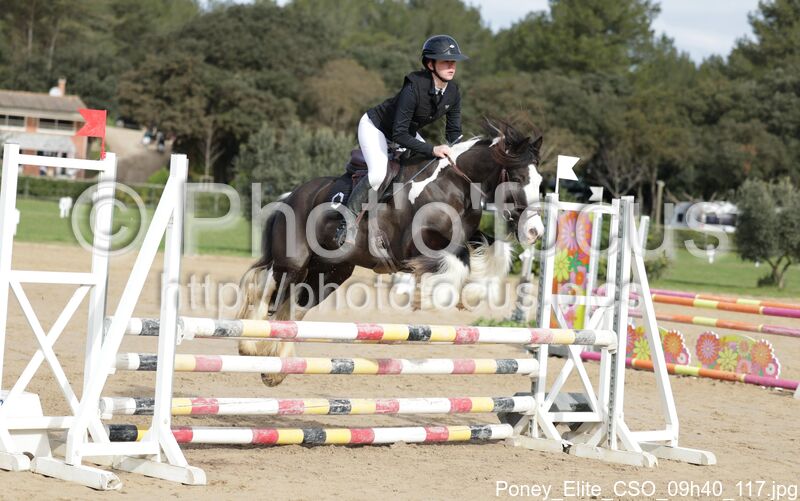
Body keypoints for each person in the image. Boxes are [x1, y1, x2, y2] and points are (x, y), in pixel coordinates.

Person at [335, 34, 468, 245]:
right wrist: (432, 149)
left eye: (454, 61)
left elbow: (454, 133)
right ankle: (347, 221)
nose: (452, 66)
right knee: (378, 174)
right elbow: (398, 134)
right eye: (446, 61)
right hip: (376, 127)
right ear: (430, 64)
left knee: (426, 168)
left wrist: (458, 156)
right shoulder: (413, 87)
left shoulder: (453, 92)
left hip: (406, 132)